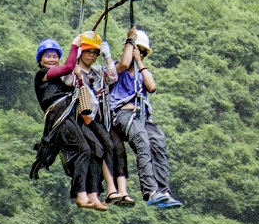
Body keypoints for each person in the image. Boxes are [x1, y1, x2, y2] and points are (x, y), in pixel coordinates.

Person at [32, 34, 108, 212]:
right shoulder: (42, 75)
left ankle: (93, 194)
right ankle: (81, 195)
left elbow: (70, 76)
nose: (51, 59)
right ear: (40, 60)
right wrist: (75, 45)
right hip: (59, 118)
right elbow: (67, 67)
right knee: (83, 149)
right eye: (47, 56)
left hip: (70, 117)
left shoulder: (58, 82)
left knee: (96, 149)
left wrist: (80, 77)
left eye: (54, 56)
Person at [110, 26, 182, 208]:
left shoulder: (142, 73)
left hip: (142, 115)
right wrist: (130, 40)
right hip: (124, 113)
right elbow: (125, 64)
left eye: (141, 51)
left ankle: (163, 191)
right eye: (136, 49)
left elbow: (152, 87)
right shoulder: (117, 68)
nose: (138, 53)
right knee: (142, 141)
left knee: (158, 142)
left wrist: (139, 62)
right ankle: (150, 191)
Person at [72, 31, 135, 207]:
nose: (91, 56)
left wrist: (108, 57)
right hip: (84, 118)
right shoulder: (75, 71)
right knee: (104, 146)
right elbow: (68, 79)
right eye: (87, 52)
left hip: (99, 117)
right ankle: (110, 188)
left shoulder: (97, 73)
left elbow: (113, 77)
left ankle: (114, 189)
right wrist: (74, 56)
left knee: (113, 147)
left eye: (94, 53)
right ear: (81, 53)